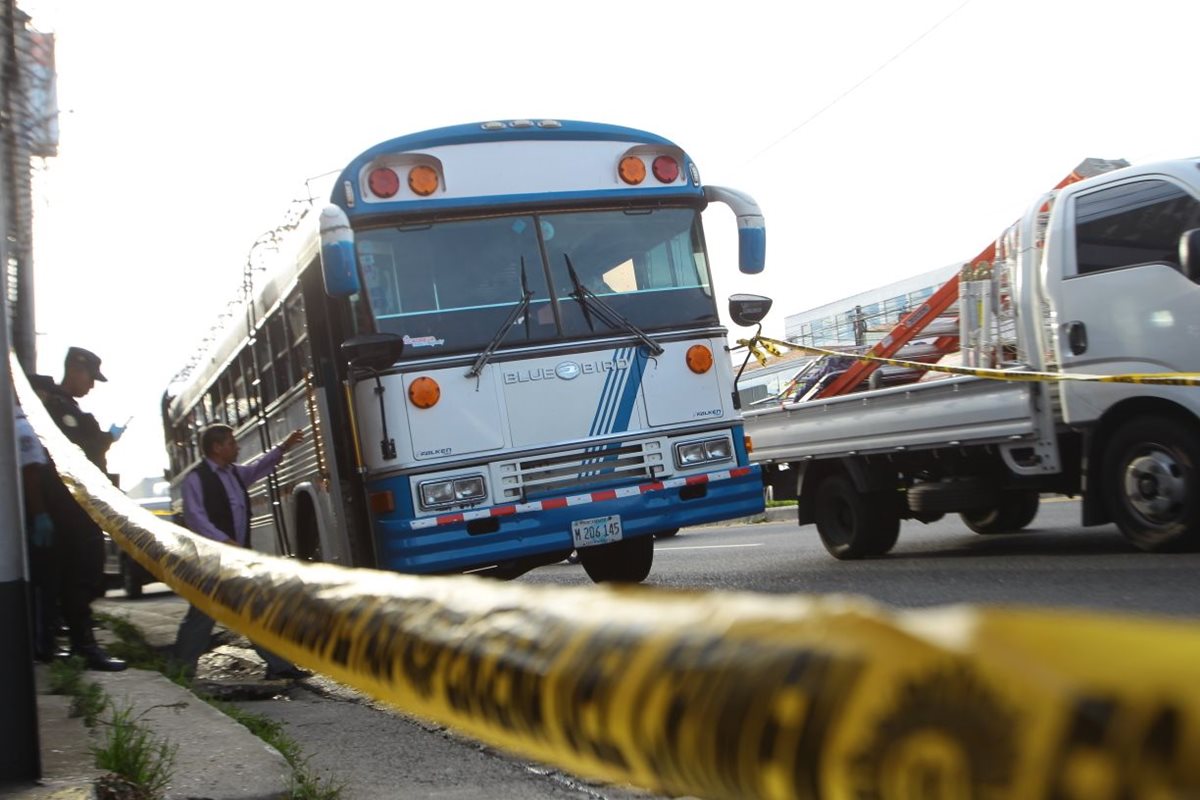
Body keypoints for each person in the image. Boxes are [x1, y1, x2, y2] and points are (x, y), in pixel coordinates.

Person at [171, 423, 311, 681]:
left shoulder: (234, 473)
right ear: (217, 447)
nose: (237, 447)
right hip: (211, 560)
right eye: (232, 443)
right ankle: (181, 669)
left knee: (255, 611)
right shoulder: (196, 479)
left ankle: (279, 666)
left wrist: (284, 447)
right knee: (202, 615)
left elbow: (258, 467)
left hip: (235, 559)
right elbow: (196, 518)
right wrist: (225, 540)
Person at [33, 347, 127, 671]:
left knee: (64, 577)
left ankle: (59, 644)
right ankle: (82, 646)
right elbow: (77, 453)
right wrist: (106, 439)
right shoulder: (58, 407)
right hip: (69, 507)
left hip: (69, 505)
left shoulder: (61, 406)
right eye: (90, 378)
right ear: (75, 370)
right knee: (79, 575)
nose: (91, 386)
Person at [14, 401, 65, 662]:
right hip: (34, 521)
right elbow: (31, 474)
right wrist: (41, 515)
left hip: (27, 520)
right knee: (42, 585)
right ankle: (42, 647)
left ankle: (42, 644)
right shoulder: (23, 427)